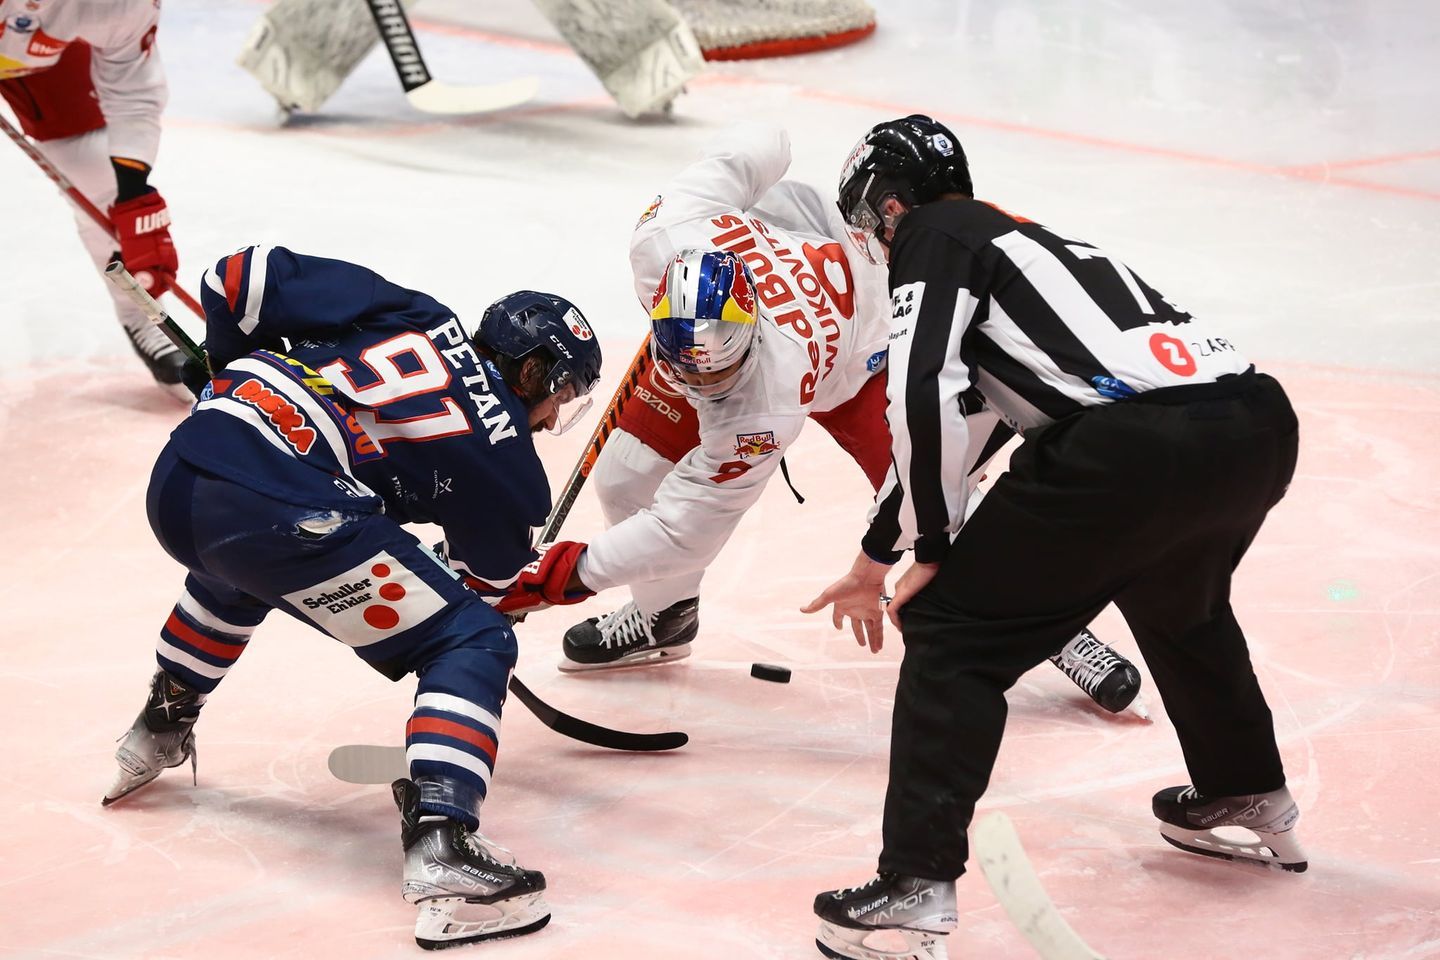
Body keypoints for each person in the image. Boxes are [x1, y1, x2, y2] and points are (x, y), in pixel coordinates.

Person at [803, 115, 1304, 960]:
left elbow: (922, 394)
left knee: (952, 634)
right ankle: (1248, 792)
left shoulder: (934, 236)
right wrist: (872, 559)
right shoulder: (1025, 248)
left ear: (890, 207)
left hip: (1138, 445)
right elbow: (976, 425)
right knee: (1180, 604)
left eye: (870, 221)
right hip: (1252, 423)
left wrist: (932, 549)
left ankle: (914, 889)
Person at [101, 245, 601, 949]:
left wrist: (227, 370)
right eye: (561, 394)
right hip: (285, 513)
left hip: (182, 476)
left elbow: (238, 277)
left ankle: (157, 726)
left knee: (243, 568)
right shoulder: (510, 458)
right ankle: (443, 846)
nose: (552, 418)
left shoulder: (416, 313)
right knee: (473, 641)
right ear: (531, 372)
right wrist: (521, 583)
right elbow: (490, 589)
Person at [560, 126, 1143, 715]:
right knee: (625, 476)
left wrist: (562, 576)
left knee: (936, 500)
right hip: (733, 337)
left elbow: (687, 524)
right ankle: (665, 614)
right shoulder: (673, 233)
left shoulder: (782, 387)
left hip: (863, 361)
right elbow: (768, 141)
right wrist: (709, 282)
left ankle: (1054, 626)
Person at [1, 0, 186, 394]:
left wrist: (131, 198)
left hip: (31, 56)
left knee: (95, 172)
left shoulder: (113, 5)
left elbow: (132, 92)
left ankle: (140, 313)